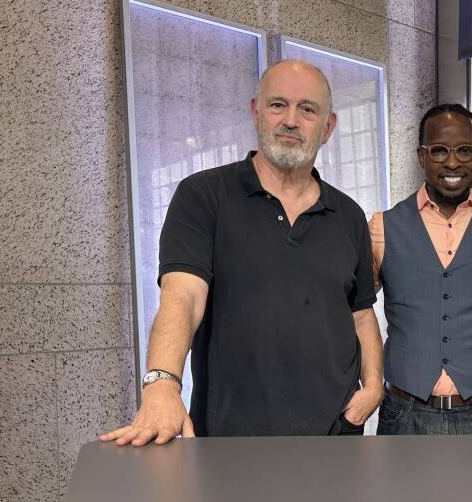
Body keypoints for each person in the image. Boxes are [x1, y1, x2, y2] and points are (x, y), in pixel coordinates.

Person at [101, 60, 383, 445]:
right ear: (256, 112)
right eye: (277, 105)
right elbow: (182, 296)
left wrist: (372, 389)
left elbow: (361, 312)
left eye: (307, 109)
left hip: (336, 434)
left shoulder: (348, 214)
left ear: (328, 127)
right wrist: (162, 383)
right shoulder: (203, 196)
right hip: (230, 438)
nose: (290, 120)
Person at [369, 103, 472, 435]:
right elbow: (354, 309)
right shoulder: (382, 227)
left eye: (464, 151)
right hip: (405, 415)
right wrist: (367, 381)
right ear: (421, 156)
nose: (453, 162)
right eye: (439, 151)